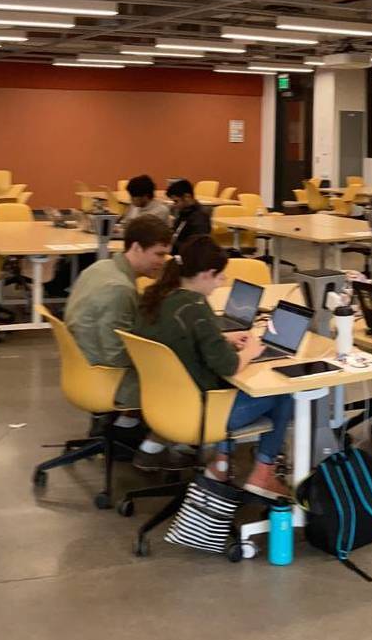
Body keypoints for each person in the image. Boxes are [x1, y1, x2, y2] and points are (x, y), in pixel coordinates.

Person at [134, 236, 292, 500]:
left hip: (162, 405)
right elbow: (228, 366)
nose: (222, 283)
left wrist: (222, 339)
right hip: (201, 413)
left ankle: (221, 464)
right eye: (221, 277)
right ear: (207, 274)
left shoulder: (158, 296)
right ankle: (262, 474)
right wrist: (251, 351)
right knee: (284, 392)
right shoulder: (196, 307)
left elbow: (180, 339)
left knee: (237, 387)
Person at [64, 216, 188, 470]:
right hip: (106, 377)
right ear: (136, 248)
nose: (162, 262)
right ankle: (154, 449)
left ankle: (124, 428)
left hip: (83, 368)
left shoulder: (101, 268)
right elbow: (116, 355)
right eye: (158, 254)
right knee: (185, 373)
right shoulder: (120, 289)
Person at [166, 179, 211, 254]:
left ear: (187, 197)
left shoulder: (200, 218)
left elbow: (196, 247)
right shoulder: (184, 213)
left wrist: (172, 243)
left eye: (176, 201)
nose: (174, 205)